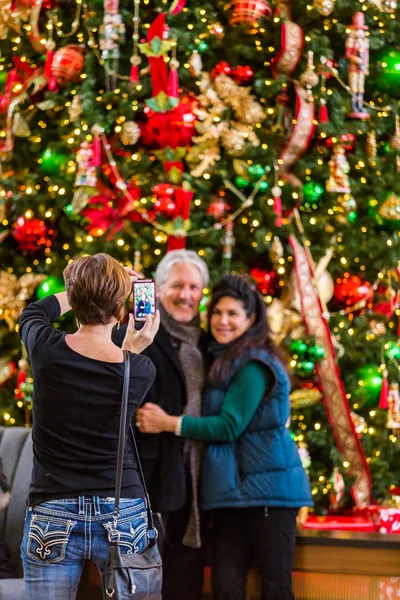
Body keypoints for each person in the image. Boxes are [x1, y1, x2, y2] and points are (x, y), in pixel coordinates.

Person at [136, 275, 313, 600]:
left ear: (251, 319)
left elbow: (228, 425)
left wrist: (168, 423)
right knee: (225, 587)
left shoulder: (254, 363)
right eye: (217, 312)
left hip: (267, 498)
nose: (223, 321)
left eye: (233, 313)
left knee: (274, 588)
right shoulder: (223, 358)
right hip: (231, 496)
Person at [18, 253, 159, 600]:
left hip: (52, 508)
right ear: (120, 307)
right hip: (121, 508)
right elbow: (116, 375)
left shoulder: (45, 349)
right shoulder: (140, 369)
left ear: (73, 296)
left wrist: (79, 286)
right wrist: (129, 347)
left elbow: (34, 312)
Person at [113, 248, 209, 600]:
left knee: (183, 573)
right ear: (158, 288)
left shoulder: (205, 338)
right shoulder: (140, 329)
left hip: (193, 471)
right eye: (177, 285)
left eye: (195, 287)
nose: (187, 295)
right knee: (149, 575)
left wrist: (171, 422)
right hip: (151, 475)